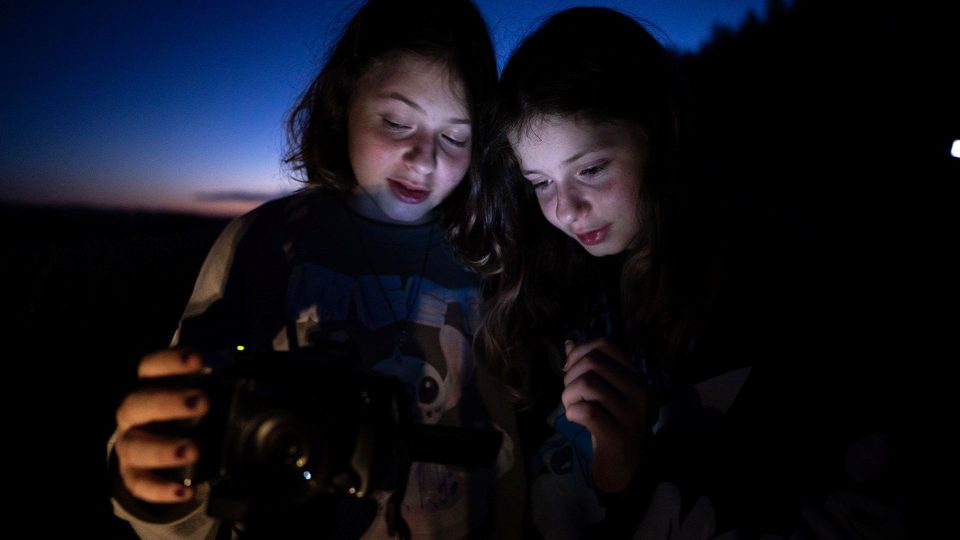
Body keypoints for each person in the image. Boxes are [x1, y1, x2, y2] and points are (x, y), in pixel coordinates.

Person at [458, 7, 905, 539]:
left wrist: (630, 469)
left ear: (659, 134)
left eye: (591, 169)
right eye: (540, 183)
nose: (567, 210)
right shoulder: (555, 300)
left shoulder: (780, 291)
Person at [108, 1, 524, 538]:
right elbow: (182, 437)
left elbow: (507, 447)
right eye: (397, 122)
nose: (424, 160)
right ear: (342, 103)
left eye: (455, 137)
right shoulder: (265, 242)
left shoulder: (484, 256)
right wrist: (156, 482)